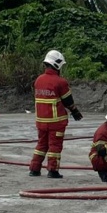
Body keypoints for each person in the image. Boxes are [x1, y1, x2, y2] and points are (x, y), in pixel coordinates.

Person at [29, 50, 83, 179]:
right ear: (57, 64)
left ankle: (34, 169)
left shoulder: (38, 80)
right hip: (56, 122)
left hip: (41, 121)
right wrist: (75, 111)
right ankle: (53, 170)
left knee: (41, 145)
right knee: (55, 146)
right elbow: (68, 101)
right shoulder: (60, 82)